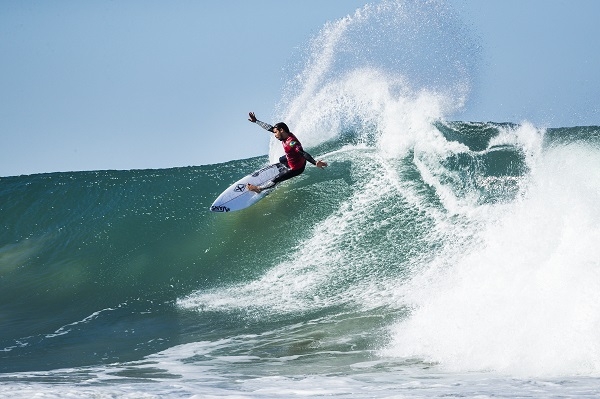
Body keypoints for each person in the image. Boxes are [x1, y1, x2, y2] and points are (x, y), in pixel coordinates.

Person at [246, 112, 327, 193]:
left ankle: (259, 189)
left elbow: (302, 153)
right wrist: (256, 121)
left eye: (275, 132)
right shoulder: (285, 135)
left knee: (277, 179)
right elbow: (270, 128)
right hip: (291, 158)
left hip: (296, 168)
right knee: (281, 159)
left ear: (281, 130)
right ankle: (284, 168)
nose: (274, 135)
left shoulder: (291, 142)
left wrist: (315, 162)